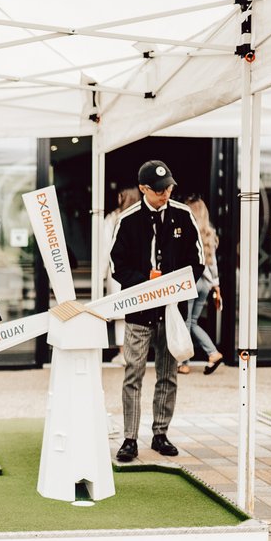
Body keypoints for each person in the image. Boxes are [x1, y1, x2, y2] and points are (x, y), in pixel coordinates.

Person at [110, 159, 204, 462]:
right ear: (143, 189)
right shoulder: (128, 220)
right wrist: (145, 280)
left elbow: (198, 259)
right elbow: (116, 265)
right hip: (138, 311)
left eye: (169, 188)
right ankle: (129, 438)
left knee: (168, 373)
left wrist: (177, 282)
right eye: (160, 190)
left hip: (173, 310)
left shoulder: (182, 215)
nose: (166, 194)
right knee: (132, 372)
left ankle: (161, 433)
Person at [179, 195, 224, 375]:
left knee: (186, 322)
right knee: (192, 322)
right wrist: (216, 285)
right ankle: (211, 353)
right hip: (205, 284)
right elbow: (212, 263)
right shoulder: (209, 233)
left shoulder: (187, 231)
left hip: (191, 282)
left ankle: (185, 362)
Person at [101, 187, 141, 365]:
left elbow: (104, 249)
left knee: (120, 311)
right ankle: (137, 352)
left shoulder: (113, 218)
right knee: (136, 312)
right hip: (139, 272)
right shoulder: (145, 216)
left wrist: (101, 274)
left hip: (117, 271)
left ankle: (123, 353)